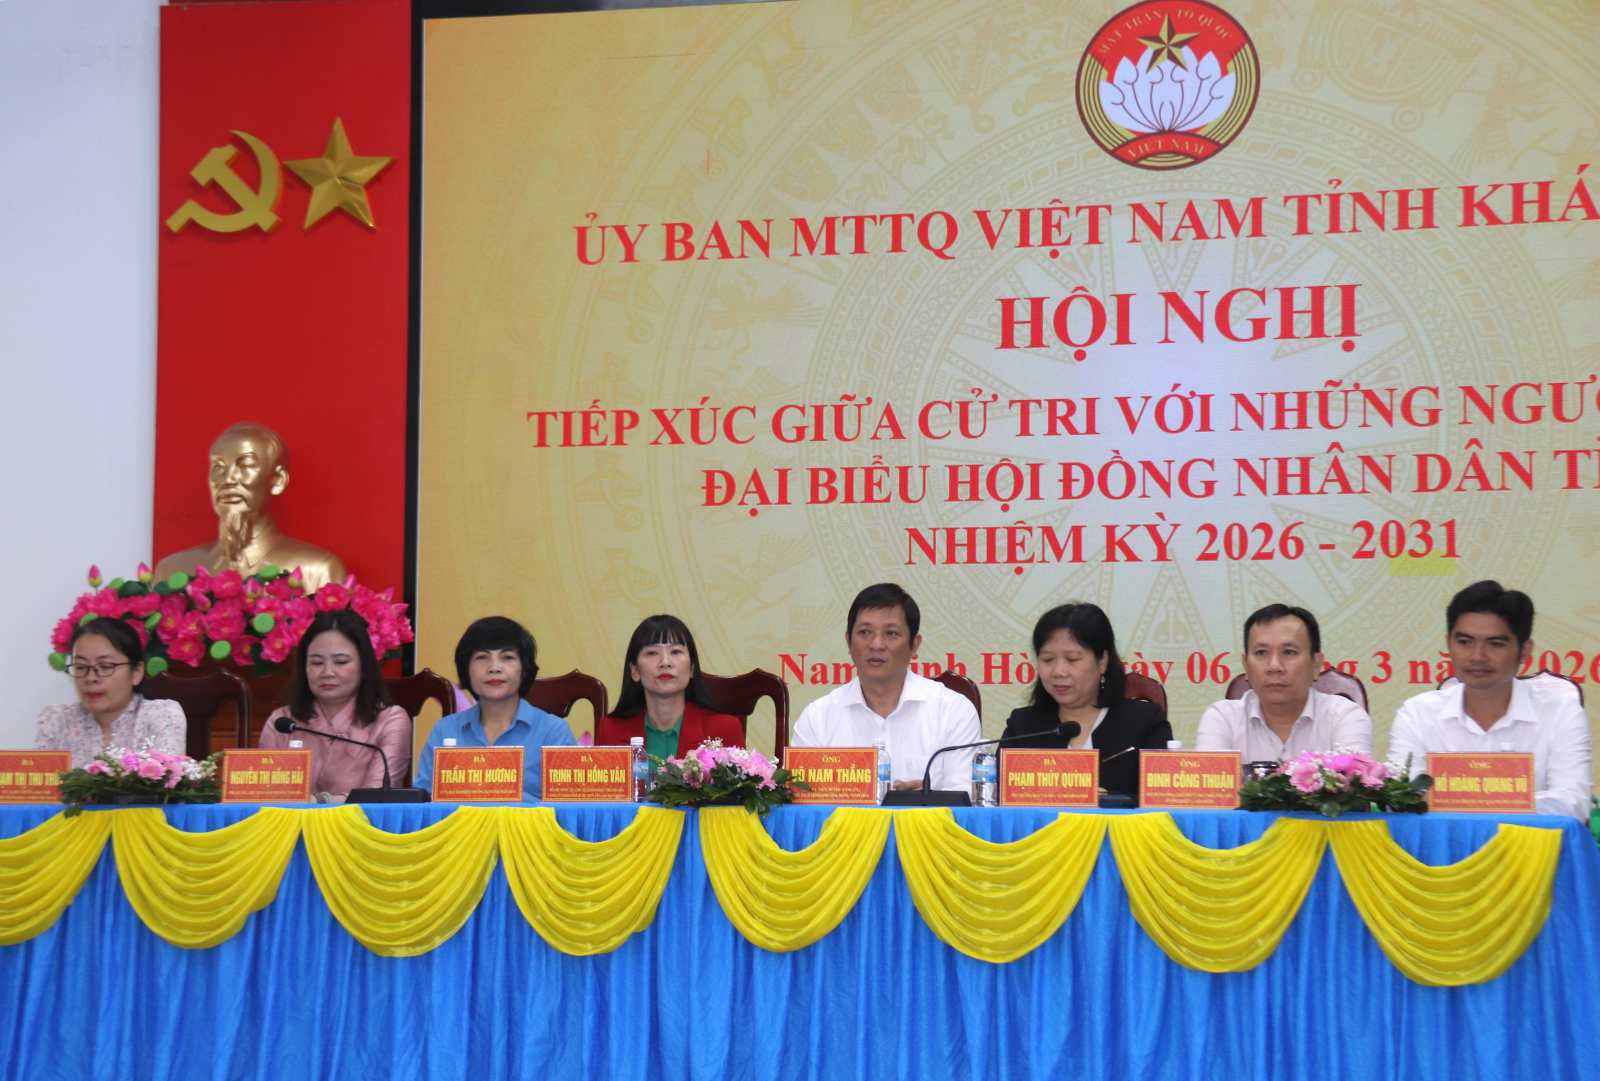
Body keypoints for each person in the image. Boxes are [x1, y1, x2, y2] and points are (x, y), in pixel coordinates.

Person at [1388, 580, 1591, 818]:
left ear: (1525, 650)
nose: (1477, 656)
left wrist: (1460, 799)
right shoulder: (1418, 713)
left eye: (1495, 644)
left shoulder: (1560, 712)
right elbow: (1399, 798)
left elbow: (1573, 804)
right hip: (1440, 851)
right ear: (1448, 643)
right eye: (1464, 642)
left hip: (1532, 851)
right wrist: (1504, 800)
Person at [791, 583, 979, 792]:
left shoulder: (954, 711)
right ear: (848, 642)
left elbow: (966, 801)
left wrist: (927, 798)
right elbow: (801, 800)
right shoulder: (818, 718)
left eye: (891, 634)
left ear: (914, 645)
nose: (877, 644)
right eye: (865, 632)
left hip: (928, 824)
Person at [999, 603, 1171, 796]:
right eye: (1047, 660)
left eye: (1072, 659)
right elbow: (1000, 802)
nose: (1058, 671)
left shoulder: (1145, 723)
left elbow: (1160, 802)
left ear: (1102, 661)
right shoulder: (1023, 727)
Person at [154, 421, 347, 591]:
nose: (227, 479)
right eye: (218, 467)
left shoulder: (317, 570)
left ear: (277, 480)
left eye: (245, 465)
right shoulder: (173, 571)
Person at [413, 616, 576, 799]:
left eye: (507, 657)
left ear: (525, 670)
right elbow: (423, 802)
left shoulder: (552, 733)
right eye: (482, 657)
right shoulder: (445, 730)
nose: (494, 667)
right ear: (465, 669)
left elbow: (566, 810)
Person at [257, 609, 411, 800]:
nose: (327, 672)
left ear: (364, 667)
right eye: (316, 662)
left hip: (358, 828)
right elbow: (265, 793)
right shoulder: (282, 721)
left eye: (341, 662)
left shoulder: (390, 720)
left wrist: (318, 802)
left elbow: (376, 800)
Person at [1196, 603, 1372, 761]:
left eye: (1289, 652)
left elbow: (1352, 791)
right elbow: (1211, 793)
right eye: (1261, 653)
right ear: (1246, 665)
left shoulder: (1343, 716)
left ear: (1316, 664)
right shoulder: (1222, 718)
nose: (1274, 666)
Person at [34, 617, 186, 768]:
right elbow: (39, 789)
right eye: (80, 667)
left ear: (136, 673)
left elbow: (163, 783)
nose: (91, 678)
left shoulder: (162, 715)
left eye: (106, 666)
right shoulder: (57, 720)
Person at [596, 614, 744, 758]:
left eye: (675, 651)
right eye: (652, 653)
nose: (665, 662)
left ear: (692, 668)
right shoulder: (610, 731)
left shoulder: (725, 730)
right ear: (635, 671)